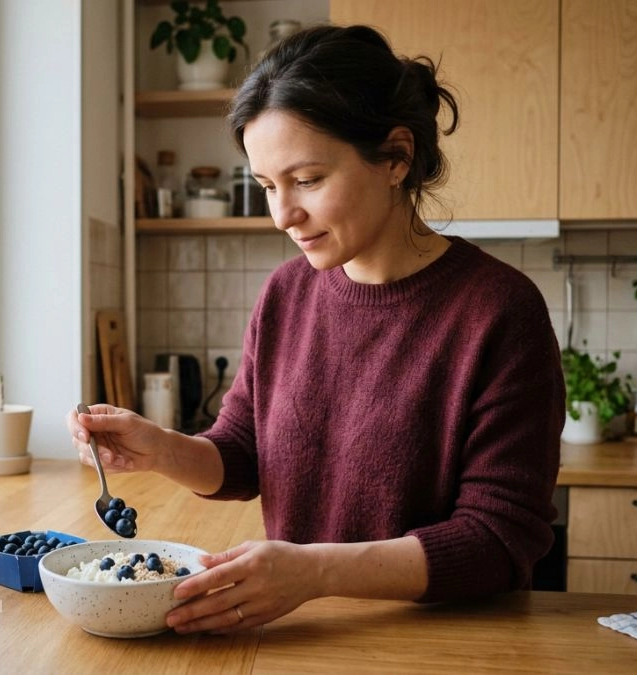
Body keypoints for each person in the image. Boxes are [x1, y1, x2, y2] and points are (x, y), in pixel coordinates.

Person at [66, 24, 563, 635]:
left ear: (396, 158)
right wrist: (162, 448)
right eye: (268, 186)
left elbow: (497, 538)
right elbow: (243, 456)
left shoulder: (499, 309)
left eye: (307, 180)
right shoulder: (286, 294)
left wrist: (315, 572)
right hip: (304, 633)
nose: (283, 215)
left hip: (445, 644)